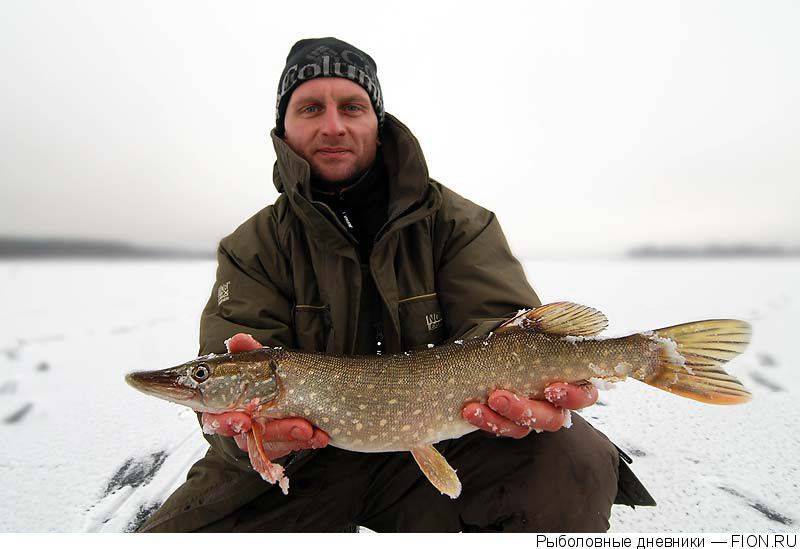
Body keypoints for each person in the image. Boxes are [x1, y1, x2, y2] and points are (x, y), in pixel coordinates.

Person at [139, 37, 654, 533]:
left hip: (446, 439)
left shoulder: (457, 222)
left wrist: (531, 398)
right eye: (310, 108)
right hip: (301, 468)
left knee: (571, 459)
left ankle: (654, 357)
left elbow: (503, 328)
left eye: (353, 106)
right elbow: (226, 395)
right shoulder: (251, 246)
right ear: (284, 129)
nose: (333, 126)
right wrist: (246, 439)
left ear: (378, 124)